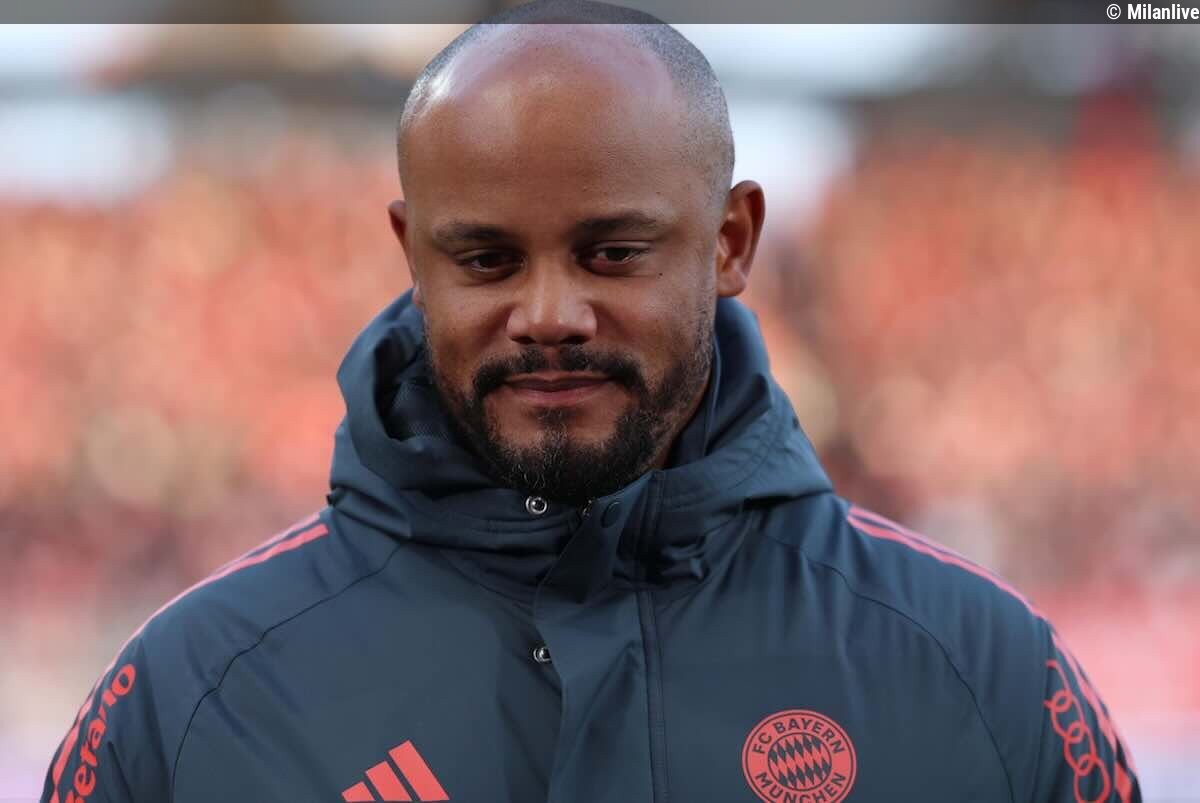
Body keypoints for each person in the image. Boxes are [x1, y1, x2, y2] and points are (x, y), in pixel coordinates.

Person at [42, 4, 1140, 803]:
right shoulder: (191, 695)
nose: (549, 315)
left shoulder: (983, 669)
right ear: (412, 254)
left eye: (612, 251)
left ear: (731, 242)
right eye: (486, 259)